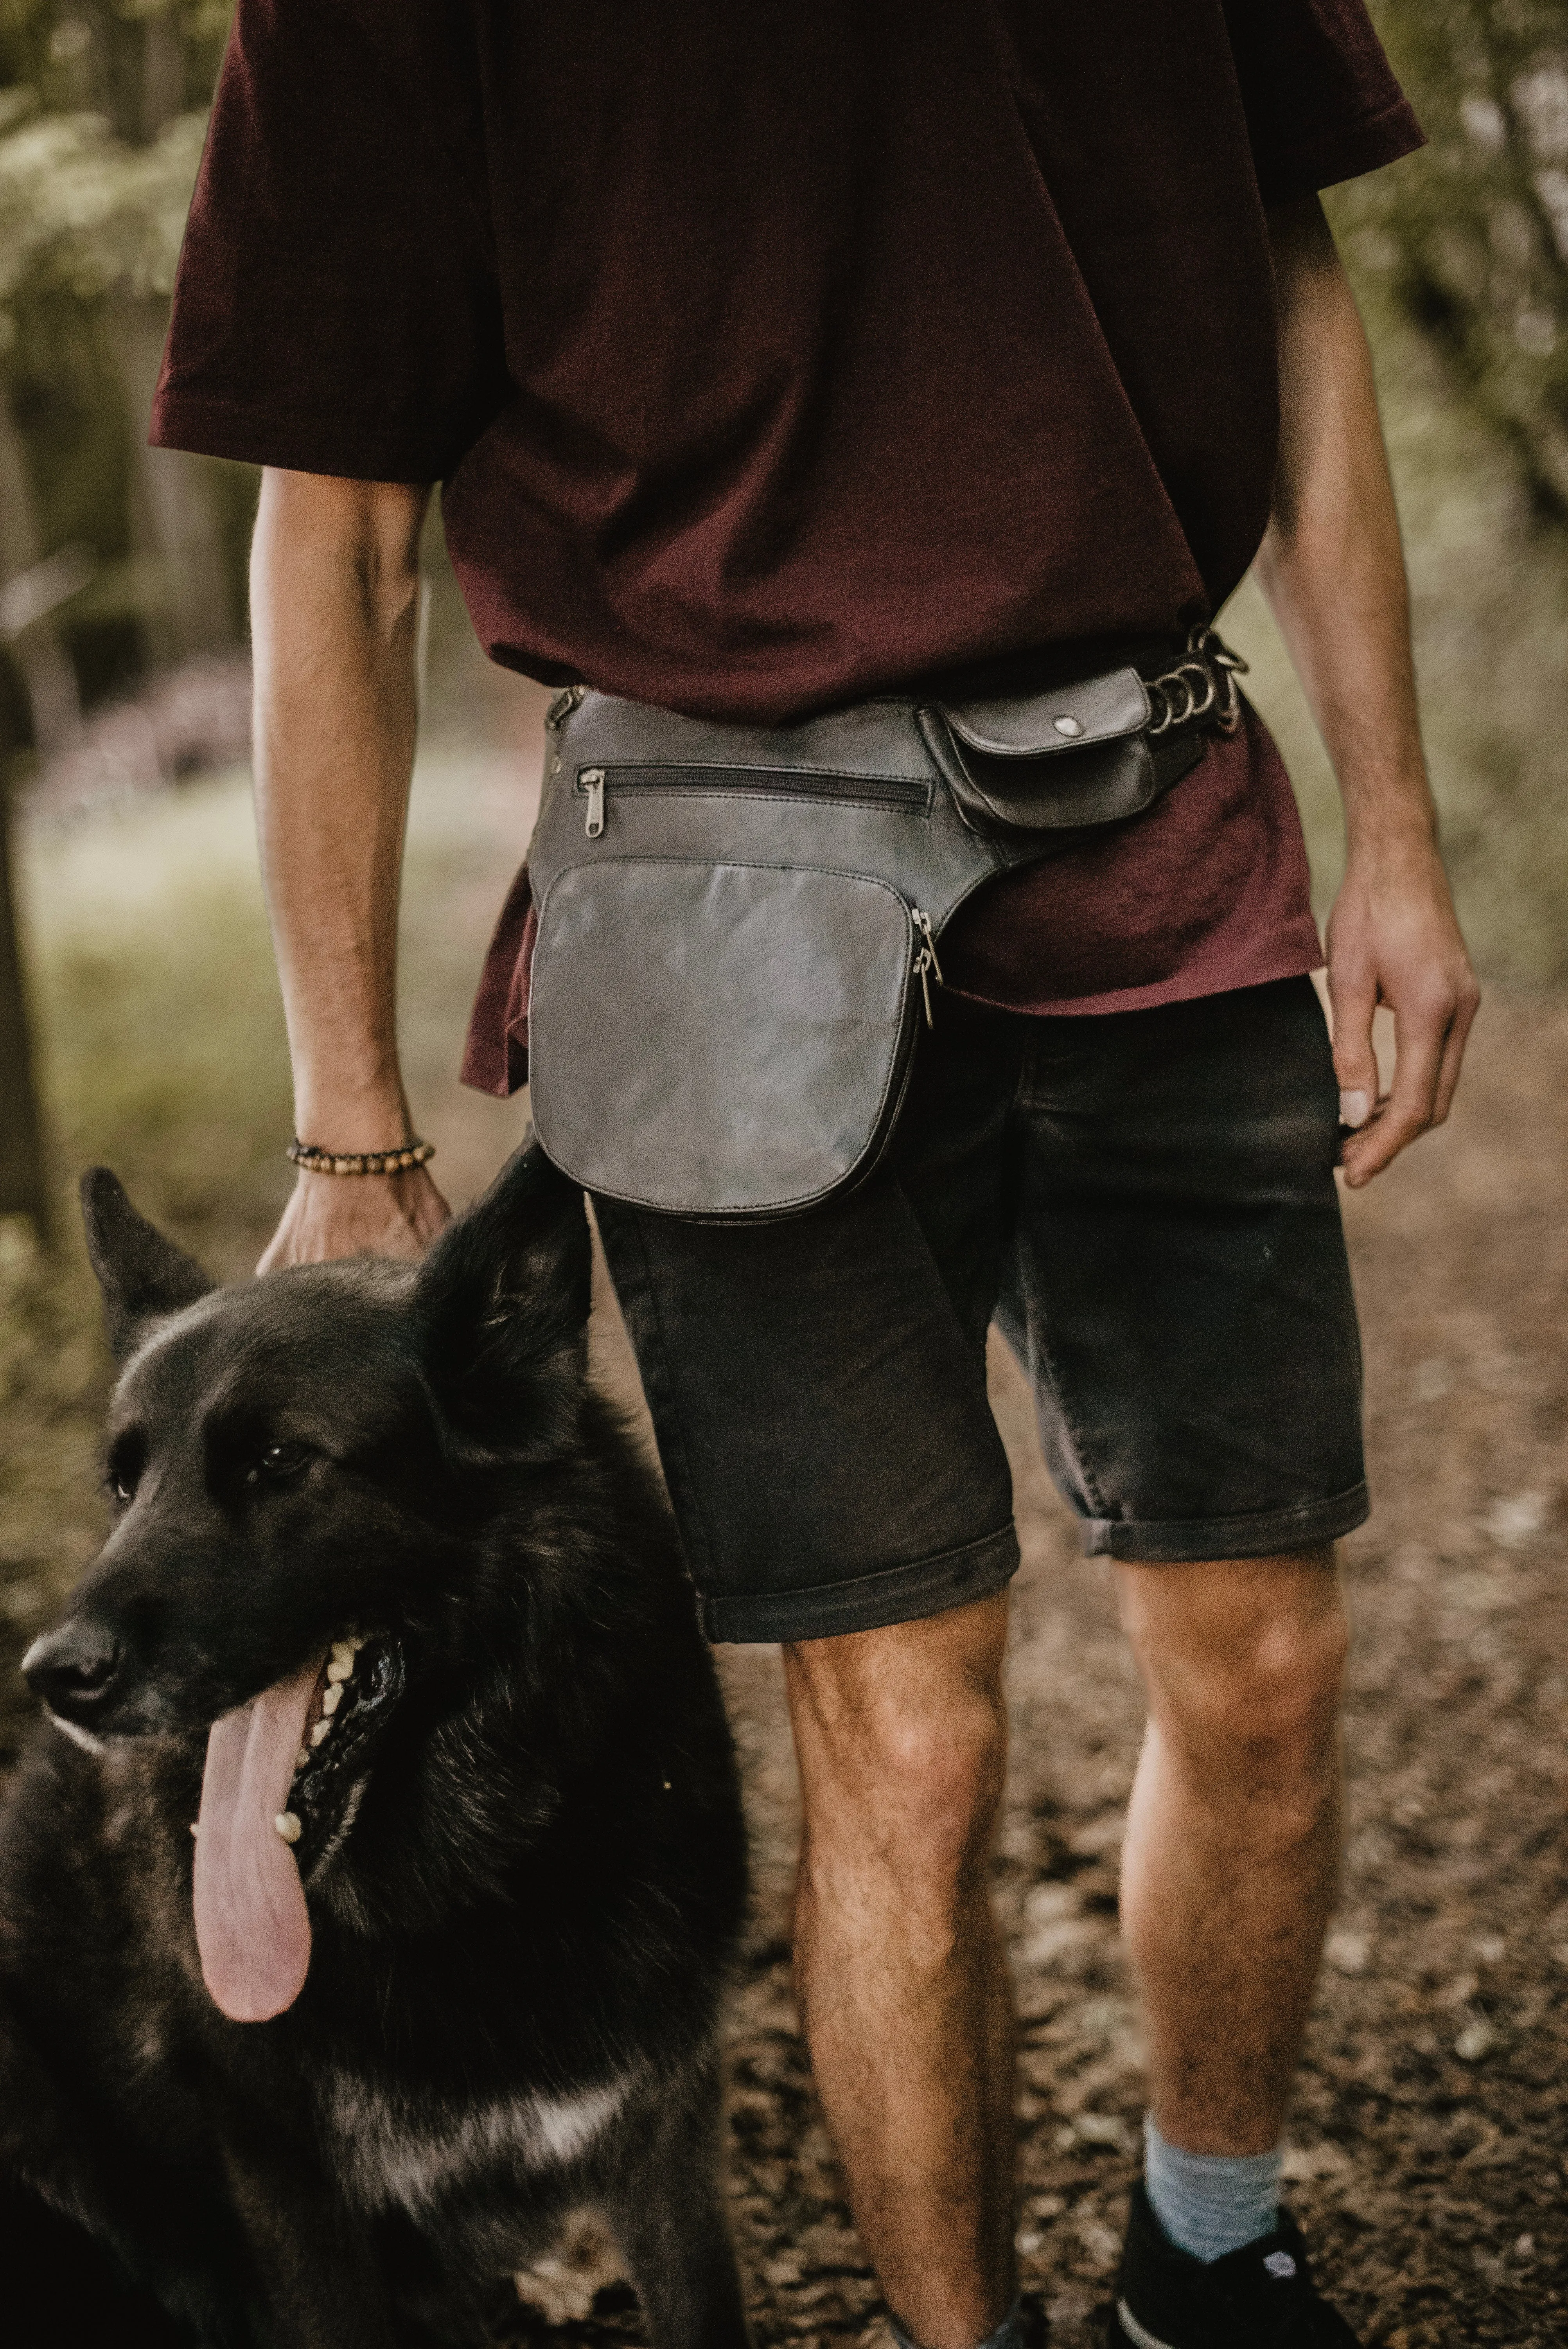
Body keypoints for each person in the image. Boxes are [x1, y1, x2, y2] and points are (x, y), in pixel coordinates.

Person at [149, 5, 1478, 2345]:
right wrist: (347, 1114)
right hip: (703, 922)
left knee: (1259, 1664)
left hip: (1158, 844)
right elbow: (336, 523)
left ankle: (1203, 2244)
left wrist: (1397, 829)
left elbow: (1281, 276)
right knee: (905, 1733)